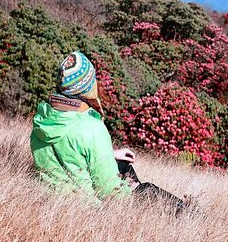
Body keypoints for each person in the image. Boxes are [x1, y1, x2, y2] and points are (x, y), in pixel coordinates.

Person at [30, 51, 187, 212]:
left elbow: (67, 151)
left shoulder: (42, 120)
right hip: (86, 210)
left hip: (51, 202)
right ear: (86, 86)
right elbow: (110, 191)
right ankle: (191, 215)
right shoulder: (92, 128)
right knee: (149, 190)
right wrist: (134, 189)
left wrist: (109, 154)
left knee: (122, 164)